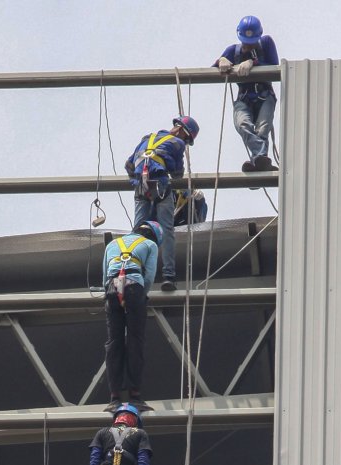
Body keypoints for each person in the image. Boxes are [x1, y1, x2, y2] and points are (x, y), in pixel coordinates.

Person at [125, 115, 200, 291]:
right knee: (166, 231)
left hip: (141, 188)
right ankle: (169, 276)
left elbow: (128, 165)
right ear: (182, 131)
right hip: (160, 187)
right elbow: (177, 173)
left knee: (138, 231)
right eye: (187, 140)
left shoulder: (147, 138)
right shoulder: (177, 144)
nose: (186, 143)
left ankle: (133, 272)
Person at [103, 221, 162, 406]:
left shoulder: (112, 244)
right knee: (135, 340)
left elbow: (105, 275)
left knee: (114, 342)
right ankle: (135, 394)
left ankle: (114, 397)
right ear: (153, 236)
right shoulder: (150, 245)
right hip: (134, 287)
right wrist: (141, 296)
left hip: (112, 288)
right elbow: (150, 274)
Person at [215, 16, 279, 172]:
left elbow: (274, 66)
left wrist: (254, 63)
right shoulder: (233, 51)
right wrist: (221, 61)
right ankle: (261, 160)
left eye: (251, 42)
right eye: (245, 42)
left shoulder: (266, 43)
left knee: (263, 129)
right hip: (244, 98)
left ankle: (258, 162)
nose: (248, 46)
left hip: (264, 95)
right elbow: (213, 68)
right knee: (243, 125)